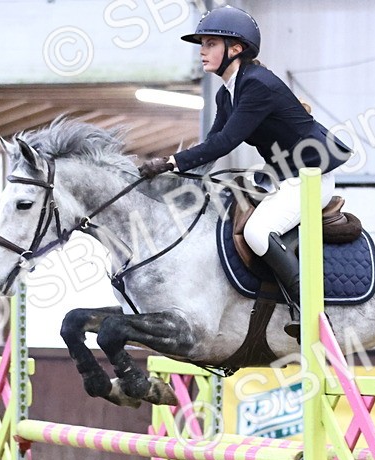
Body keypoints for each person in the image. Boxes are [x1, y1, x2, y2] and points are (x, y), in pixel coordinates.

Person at [138, 5, 352, 337]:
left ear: (235, 49)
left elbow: (226, 142)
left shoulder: (257, 85)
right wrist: (170, 183)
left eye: (210, 43)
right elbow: (211, 146)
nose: (202, 51)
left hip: (310, 179)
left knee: (257, 232)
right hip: (281, 175)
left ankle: (310, 310)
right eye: (202, 44)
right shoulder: (229, 93)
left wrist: (169, 162)